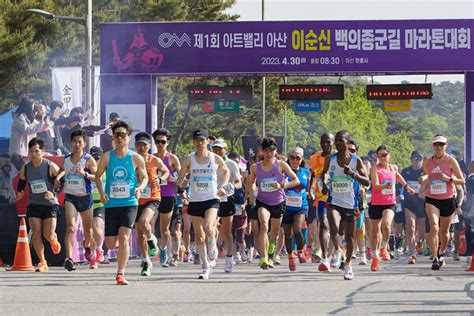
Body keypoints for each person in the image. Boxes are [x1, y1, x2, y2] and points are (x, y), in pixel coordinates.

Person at [94, 121, 148, 285]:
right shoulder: (107, 157)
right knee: (110, 244)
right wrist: (102, 193)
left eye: (123, 135)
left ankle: (120, 273)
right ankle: (121, 249)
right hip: (111, 204)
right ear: (113, 137)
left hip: (130, 203)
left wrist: (140, 188)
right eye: (116, 135)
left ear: (129, 137)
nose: (119, 138)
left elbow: (145, 177)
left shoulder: (136, 158)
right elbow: (97, 176)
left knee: (124, 236)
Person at [176, 129, 229, 280]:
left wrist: (223, 186)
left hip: (212, 198)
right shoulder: (189, 159)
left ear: (207, 142)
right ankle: (206, 267)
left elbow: (225, 172)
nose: (200, 143)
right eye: (197, 140)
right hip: (195, 200)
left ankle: (213, 246)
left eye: (202, 140)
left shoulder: (215, 158)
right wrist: (182, 188)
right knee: (199, 237)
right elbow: (180, 178)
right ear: (193, 142)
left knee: (208, 227)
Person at [321, 130, 370, 280]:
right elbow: (324, 173)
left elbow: (367, 182)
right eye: (337, 141)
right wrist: (324, 183)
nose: (338, 143)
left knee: (349, 238)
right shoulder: (330, 159)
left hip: (350, 203)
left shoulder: (357, 161)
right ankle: (337, 251)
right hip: (334, 201)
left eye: (342, 141)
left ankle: (348, 265)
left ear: (348, 143)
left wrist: (353, 175)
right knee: (334, 227)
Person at [247, 137, 299, 269]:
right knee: (263, 226)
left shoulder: (281, 164)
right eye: (266, 150)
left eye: (272, 150)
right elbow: (250, 181)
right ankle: (263, 258)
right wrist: (252, 193)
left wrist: (283, 185)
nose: (269, 153)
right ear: (262, 151)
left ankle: (270, 254)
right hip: (263, 201)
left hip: (278, 201)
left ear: (275, 150)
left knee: (274, 232)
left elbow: (295, 180)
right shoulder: (255, 167)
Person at [418, 134, 465, 270]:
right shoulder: (427, 161)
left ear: (446, 146)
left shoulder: (451, 161)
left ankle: (442, 252)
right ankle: (435, 257)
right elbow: (427, 177)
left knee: (444, 232)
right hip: (432, 198)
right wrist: (422, 180)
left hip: (447, 198)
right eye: (436, 144)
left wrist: (448, 179)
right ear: (433, 146)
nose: (438, 147)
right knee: (434, 226)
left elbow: (462, 180)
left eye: (441, 145)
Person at [16, 137, 62, 272]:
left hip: (49, 204)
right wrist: (20, 192)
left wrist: (54, 194)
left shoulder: (50, 166)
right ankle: (43, 262)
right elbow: (21, 183)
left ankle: (53, 239)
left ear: (42, 151)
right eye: (31, 152)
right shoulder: (26, 167)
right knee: (36, 233)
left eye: (36, 151)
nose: (34, 154)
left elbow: (62, 181)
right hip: (34, 204)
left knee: (48, 234)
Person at [55, 130, 98, 270]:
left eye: (80, 141)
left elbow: (97, 176)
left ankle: (87, 248)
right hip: (71, 197)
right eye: (74, 141)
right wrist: (57, 177)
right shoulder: (67, 158)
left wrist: (84, 173)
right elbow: (62, 169)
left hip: (85, 198)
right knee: (71, 227)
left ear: (84, 144)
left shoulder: (88, 159)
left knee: (88, 231)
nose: (77, 144)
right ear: (70, 143)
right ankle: (69, 258)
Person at [368, 145, 414, 272]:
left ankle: (383, 247)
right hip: (376, 203)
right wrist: (384, 186)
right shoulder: (374, 169)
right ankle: (375, 257)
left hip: (389, 202)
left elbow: (398, 176)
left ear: (389, 155)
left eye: (384, 155)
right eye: (380, 155)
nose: (382, 157)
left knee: (387, 224)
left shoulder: (393, 168)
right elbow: (375, 186)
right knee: (374, 231)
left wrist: (407, 187)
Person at [134, 132, 169, 276]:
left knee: (144, 221)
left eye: (145, 145)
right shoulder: (131, 160)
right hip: (135, 199)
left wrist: (160, 179)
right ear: (135, 146)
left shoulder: (154, 160)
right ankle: (146, 261)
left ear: (149, 146)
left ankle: (151, 239)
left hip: (153, 197)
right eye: (139, 145)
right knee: (139, 232)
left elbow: (166, 172)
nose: (142, 147)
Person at [211, 139, 242, 273]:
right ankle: (212, 253)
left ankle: (229, 259)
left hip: (227, 199)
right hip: (211, 198)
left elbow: (238, 183)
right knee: (210, 227)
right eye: (215, 149)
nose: (217, 151)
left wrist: (229, 187)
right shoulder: (209, 162)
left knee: (227, 230)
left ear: (225, 149)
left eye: (220, 149)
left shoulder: (231, 164)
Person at [152, 128, 181, 268]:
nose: (160, 144)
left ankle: (165, 253)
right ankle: (151, 252)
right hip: (152, 196)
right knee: (149, 224)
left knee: (165, 230)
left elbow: (181, 178)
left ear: (167, 142)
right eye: (157, 142)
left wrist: (171, 178)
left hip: (168, 196)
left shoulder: (172, 158)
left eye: (162, 142)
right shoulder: (152, 158)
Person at [309, 133, 335, 271]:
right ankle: (325, 258)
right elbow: (313, 175)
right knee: (323, 223)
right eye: (323, 142)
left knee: (336, 229)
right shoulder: (314, 158)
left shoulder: (339, 157)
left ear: (333, 143)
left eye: (328, 142)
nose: (325, 145)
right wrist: (310, 190)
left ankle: (335, 254)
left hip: (338, 198)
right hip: (322, 197)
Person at [283, 147, 310, 271]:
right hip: (286, 206)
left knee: (297, 229)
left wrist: (311, 193)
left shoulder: (305, 172)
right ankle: (290, 257)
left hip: (301, 206)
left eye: (298, 158)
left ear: (301, 159)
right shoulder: (283, 172)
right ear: (289, 159)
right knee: (287, 235)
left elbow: (309, 187)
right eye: (292, 157)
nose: (295, 160)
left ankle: (300, 250)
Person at [401, 151, 426, 264]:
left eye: (420, 159)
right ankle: (412, 253)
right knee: (410, 228)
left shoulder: (425, 171)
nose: (417, 161)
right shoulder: (406, 171)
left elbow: (430, 184)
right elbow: (400, 185)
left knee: (421, 231)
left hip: (422, 203)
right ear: (411, 159)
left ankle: (420, 243)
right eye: (415, 158)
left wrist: (424, 192)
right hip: (409, 203)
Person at [89, 146, 107, 264]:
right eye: (93, 158)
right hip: (86, 204)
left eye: (98, 158)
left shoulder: (107, 171)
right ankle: (92, 256)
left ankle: (99, 248)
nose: (95, 161)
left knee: (97, 228)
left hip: (100, 204)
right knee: (89, 232)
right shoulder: (84, 170)